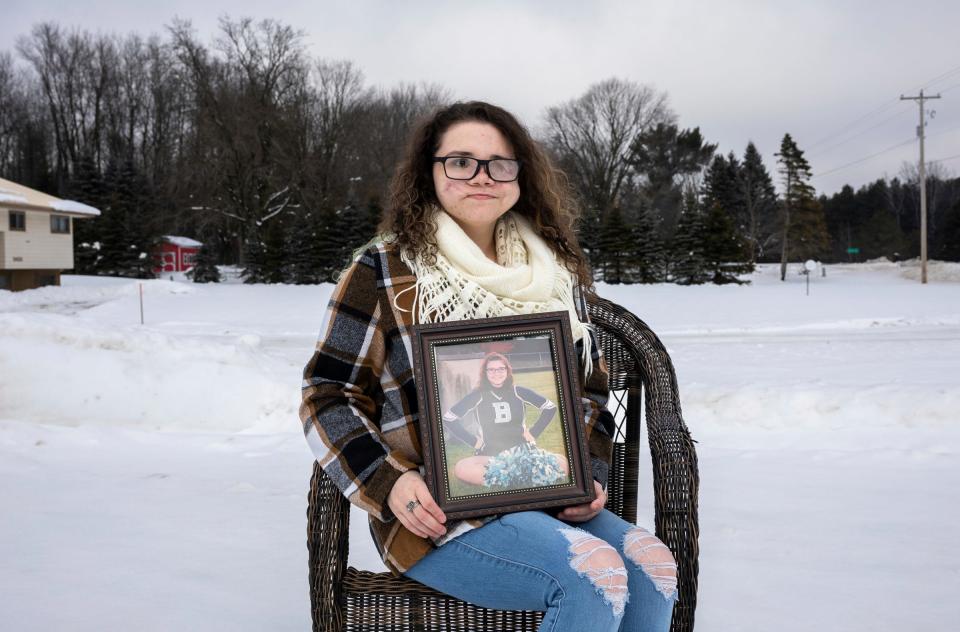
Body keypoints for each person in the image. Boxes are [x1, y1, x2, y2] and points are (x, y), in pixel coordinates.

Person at [300, 101, 677, 631]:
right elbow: (328, 392)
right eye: (461, 161)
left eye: (500, 163)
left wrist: (584, 473)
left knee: (655, 567)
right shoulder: (383, 271)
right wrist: (390, 484)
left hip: (544, 499)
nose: (482, 176)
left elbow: (589, 394)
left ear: (520, 175)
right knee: (593, 574)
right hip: (437, 515)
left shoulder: (551, 273)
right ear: (429, 173)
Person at [442, 351, 569, 489]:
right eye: (491, 369)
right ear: (485, 372)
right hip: (492, 455)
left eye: (501, 369)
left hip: (522, 451)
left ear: (507, 371)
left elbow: (550, 408)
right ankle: (528, 475)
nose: (496, 373)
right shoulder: (478, 395)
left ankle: (508, 476)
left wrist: (533, 433)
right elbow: (449, 418)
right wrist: (474, 441)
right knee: (461, 468)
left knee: (564, 462)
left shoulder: (518, 391)